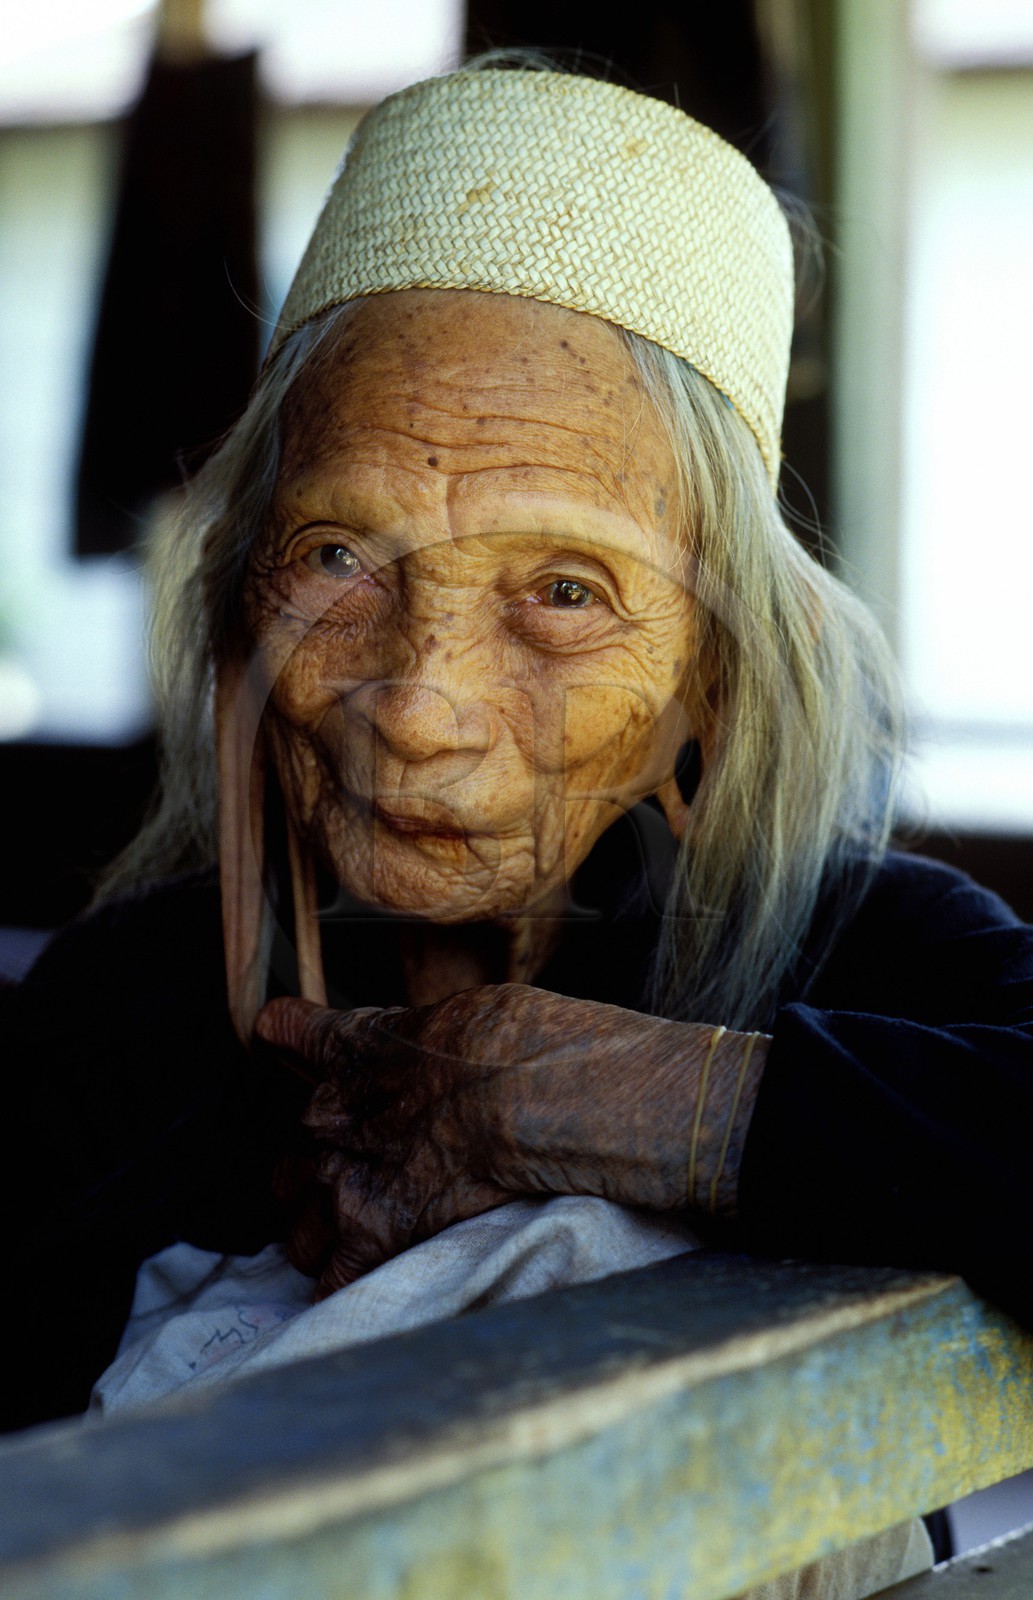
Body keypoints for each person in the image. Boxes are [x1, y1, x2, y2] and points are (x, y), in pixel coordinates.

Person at [6, 61, 1031, 1482]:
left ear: (710, 680)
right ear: (240, 599)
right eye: (335, 561)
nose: (419, 709)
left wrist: (648, 1106)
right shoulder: (122, 1015)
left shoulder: (873, 953)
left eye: (562, 590)